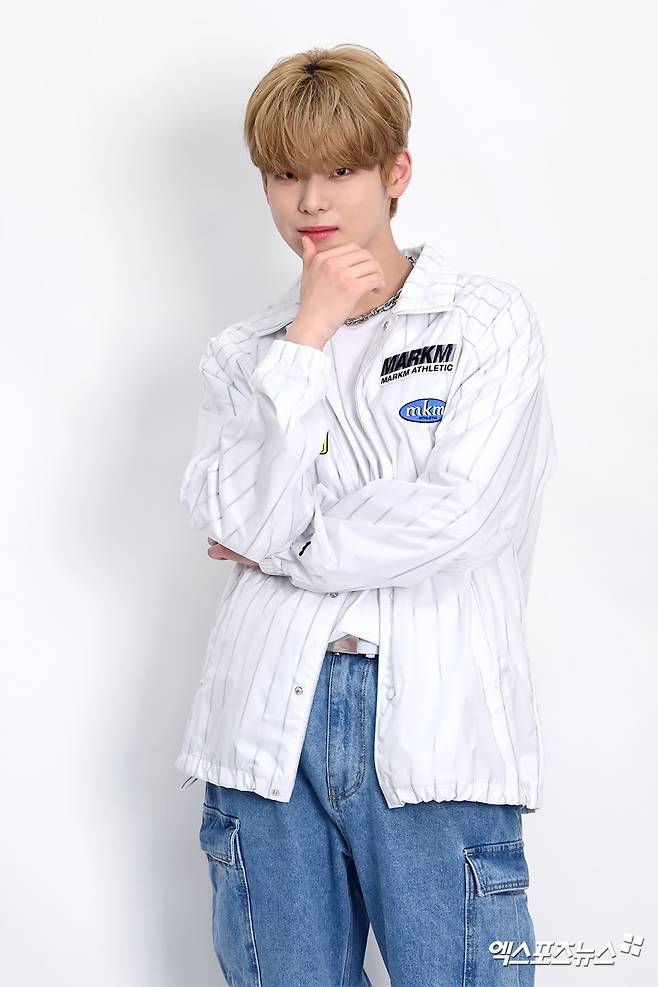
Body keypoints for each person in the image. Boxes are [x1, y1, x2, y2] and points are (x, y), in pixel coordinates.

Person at [176, 43, 558, 986]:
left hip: (435, 724)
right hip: (266, 729)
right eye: (285, 175)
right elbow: (229, 511)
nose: (311, 201)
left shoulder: (485, 323)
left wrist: (284, 544)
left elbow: (456, 513)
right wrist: (306, 336)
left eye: (341, 170)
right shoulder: (245, 352)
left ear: (396, 173)